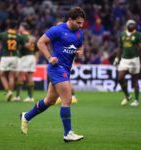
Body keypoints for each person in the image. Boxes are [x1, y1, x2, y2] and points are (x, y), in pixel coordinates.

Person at [20, 7, 86, 142]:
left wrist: (80, 52)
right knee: (67, 99)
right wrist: (49, 57)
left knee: (49, 100)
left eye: (82, 23)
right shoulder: (57, 29)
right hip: (56, 68)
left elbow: (80, 46)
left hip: (66, 68)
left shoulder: (79, 33)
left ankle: (26, 116)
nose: (81, 25)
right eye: (78, 22)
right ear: (70, 20)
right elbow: (40, 42)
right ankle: (68, 133)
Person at [113, 19, 141, 106]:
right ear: (127, 25)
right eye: (130, 24)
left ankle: (137, 100)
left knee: (135, 80)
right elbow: (120, 47)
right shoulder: (122, 34)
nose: (131, 26)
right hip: (124, 59)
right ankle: (127, 96)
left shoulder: (138, 35)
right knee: (120, 78)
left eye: (133, 24)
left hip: (134, 59)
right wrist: (116, 58)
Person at [12, 22, 39, 102]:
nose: (19, 28)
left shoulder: (21, 37)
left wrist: (29, 43)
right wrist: (36, 59)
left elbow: (25, 46)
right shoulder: (32, 37)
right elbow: (37, 50)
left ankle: (18, 96)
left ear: (23, 28)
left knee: (20, 76)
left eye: (20, 27)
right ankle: (30, 97)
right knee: (30, 77)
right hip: (32, 57)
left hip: (25, 57)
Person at [0, 20, 24, 101]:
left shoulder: (3, 35)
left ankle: (7, 91)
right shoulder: (18, 36)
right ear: (16, 27)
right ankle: (11, 94)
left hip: (5, 56)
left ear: (8, 26)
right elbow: (23, 45)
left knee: (2, 74)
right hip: (15, 57)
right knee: (11, 75)